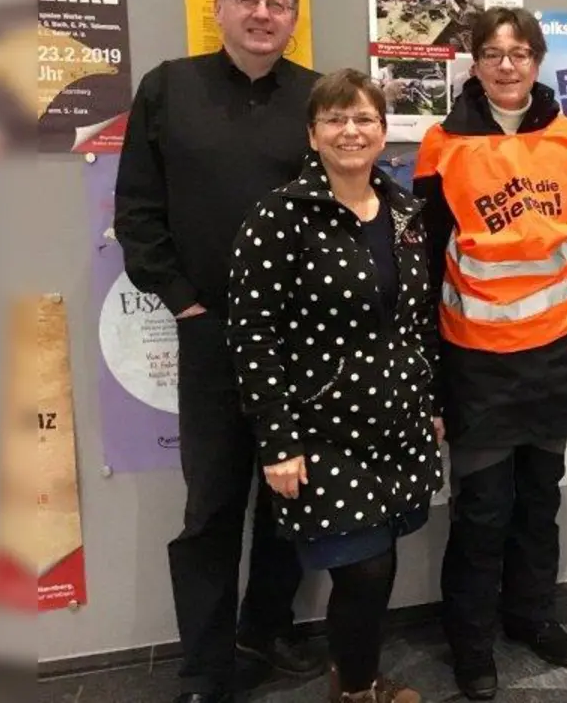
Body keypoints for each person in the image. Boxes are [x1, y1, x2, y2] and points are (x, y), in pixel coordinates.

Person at [115, 0, 324, 703]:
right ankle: (205, 667)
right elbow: (137, 212)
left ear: (293, 18)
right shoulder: (169, 88)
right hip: (212, 336)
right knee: (210, 508)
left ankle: (262, 634)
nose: (262, 13)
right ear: (219, 7)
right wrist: (184, 301)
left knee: (291, 498)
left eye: (277, 2)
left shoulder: (316, 98)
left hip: (302, 340)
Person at [412, 7, 567, 701]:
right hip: (477, 362)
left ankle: (531, 616)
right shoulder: (443, 144)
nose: (507, 64)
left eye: (520, 52)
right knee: (483, 510)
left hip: (556, 352)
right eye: (493, 53)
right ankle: (469, 644)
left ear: (538, 61)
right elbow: (426, 265)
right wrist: (431, 375)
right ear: (473, 63)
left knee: (539, 502)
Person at [228, 69, 441, 703]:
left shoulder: (405, 213)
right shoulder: (280, 217)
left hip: (399, 423)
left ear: (383, 131)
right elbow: (253, 336)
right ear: (313, 135)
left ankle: (359, 678)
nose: (351, 131)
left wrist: (428, 403)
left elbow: (418, 321)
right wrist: (277, 441)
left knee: (381, 563)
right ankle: (355, 692)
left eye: (364, 119)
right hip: (322, 432)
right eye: (335, 120)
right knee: (364, 567)